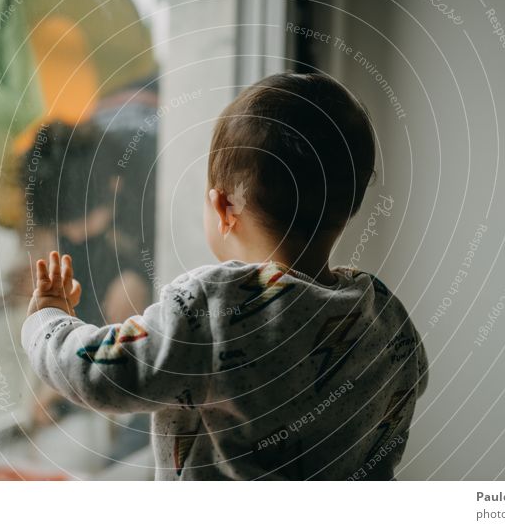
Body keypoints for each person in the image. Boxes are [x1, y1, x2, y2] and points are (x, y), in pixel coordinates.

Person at [21, 72, 429, 480]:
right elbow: (414, 378)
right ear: (349, 208)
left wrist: (48, 319)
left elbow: (101, 374)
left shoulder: (217, 307)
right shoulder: (382, 310)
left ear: (224, 209)